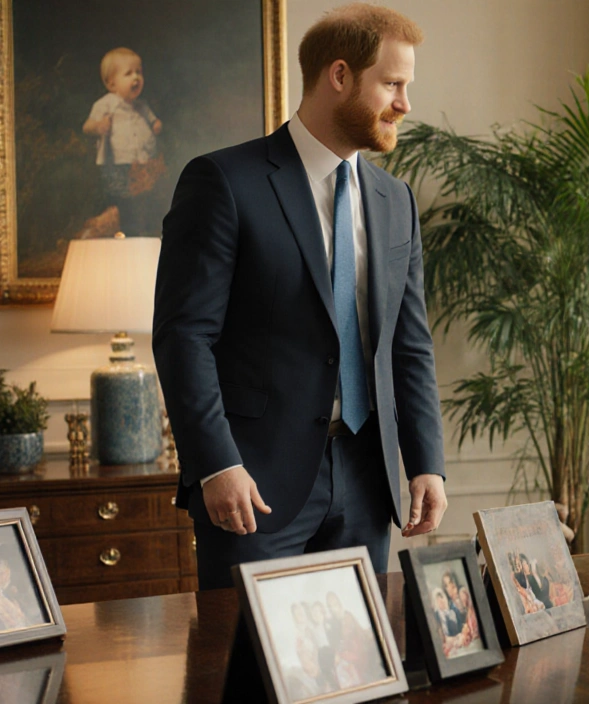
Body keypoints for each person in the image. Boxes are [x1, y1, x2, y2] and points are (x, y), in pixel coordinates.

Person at [153, 3, 448, 590]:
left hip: (368, 482)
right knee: (246, 673)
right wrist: (216, 463)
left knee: (355, 673)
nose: (404, 104)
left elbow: (408, 344)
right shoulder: (223, 182)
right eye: (392, 83)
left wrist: (426, 463)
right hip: (252, 487)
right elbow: (185, 336)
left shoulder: (396, 201)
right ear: (339, 76)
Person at [83, 47, 165, 237]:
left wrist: (156, 124)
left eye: (139, 72)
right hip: (119, 161)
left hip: (142, 161)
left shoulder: (141, 105)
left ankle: (140, 228)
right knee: (124, 197)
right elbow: (87, 126)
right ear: (112, 84)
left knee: (144, 196)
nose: (136, 78)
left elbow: (152, 120)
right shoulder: (106, 103)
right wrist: (98, 126)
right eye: (128, 73)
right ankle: (124, 228)